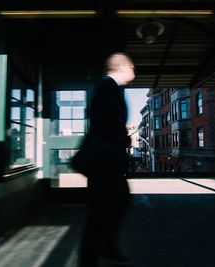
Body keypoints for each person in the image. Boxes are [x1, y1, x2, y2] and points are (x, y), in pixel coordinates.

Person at [78, 52, 135, 267]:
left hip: (104, 161)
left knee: (107, 207)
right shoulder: (108, 87)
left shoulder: (109, 88)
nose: (133, 70)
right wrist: (123, 137)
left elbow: (105, 121)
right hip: (104, 162)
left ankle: (103, 247)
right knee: (104, 209)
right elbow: (106, 122)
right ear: (121, 66)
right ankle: (98, 251)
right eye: (131, 67)